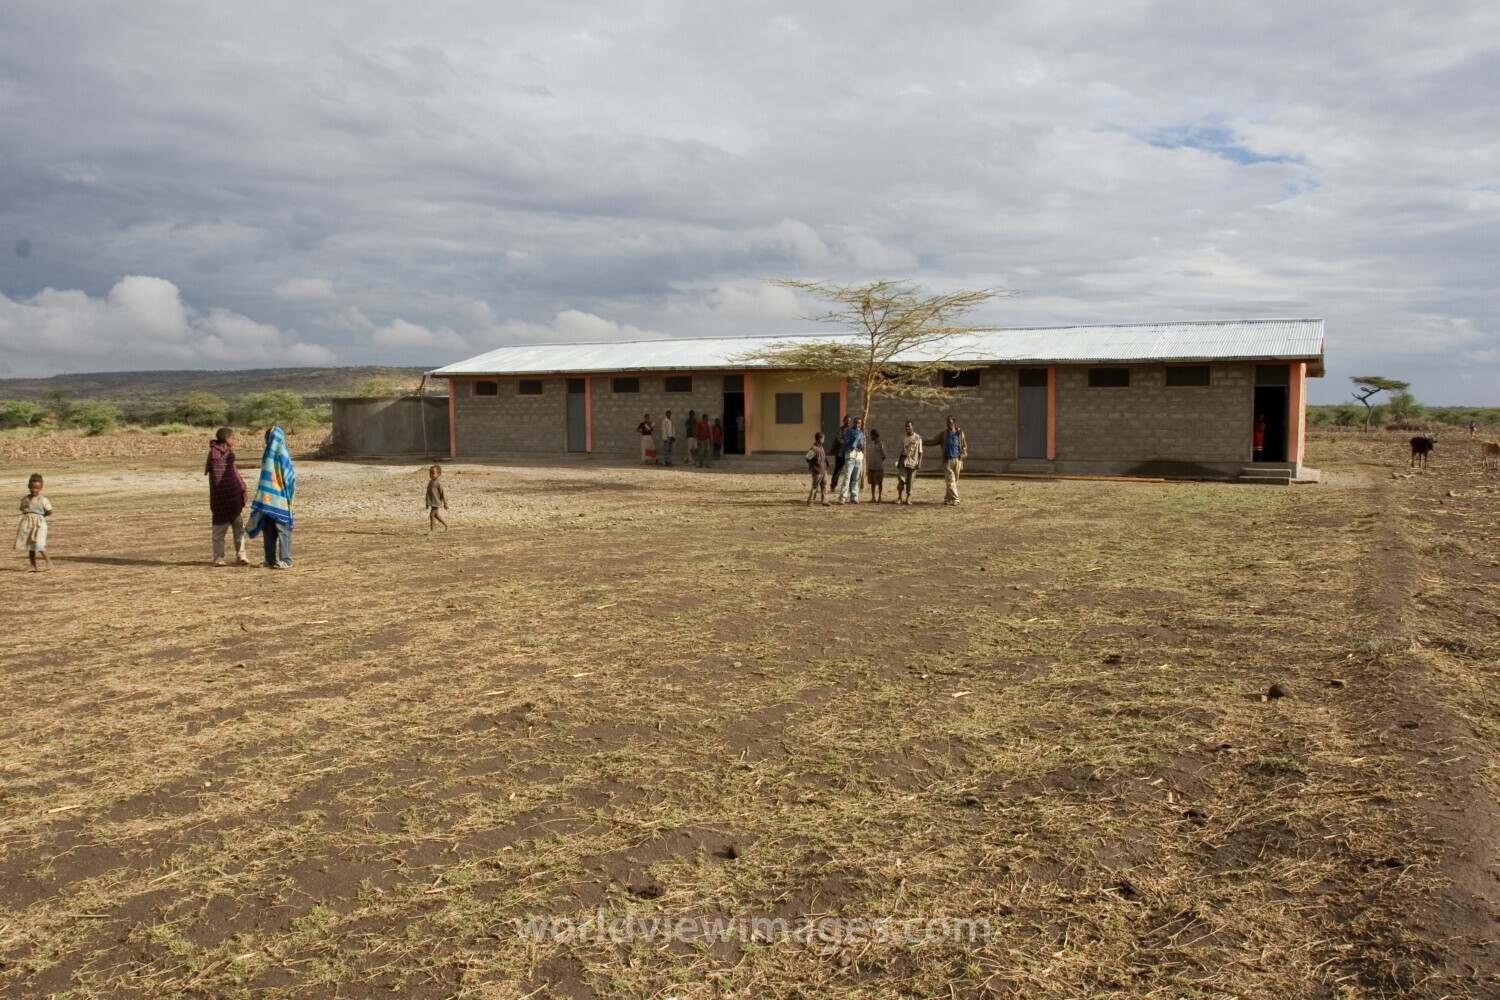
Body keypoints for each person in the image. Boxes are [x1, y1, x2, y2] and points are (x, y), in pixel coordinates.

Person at [246, 426, 296, 568]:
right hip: (271, 500)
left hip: (276, 499)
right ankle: (270, 560)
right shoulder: (270, 455)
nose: (266, 441)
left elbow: (289, 477)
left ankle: (284, 560)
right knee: (269, 531)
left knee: (281, 530)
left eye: (268, 438)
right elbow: (291, 479)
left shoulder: (280, 455)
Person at [205, 427, 250, 566]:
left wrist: (240, 488)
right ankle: (218, 557)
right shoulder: (214, 455)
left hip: (233, 499)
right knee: (219, 531)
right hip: (220, 499)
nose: (234, 440)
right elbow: (217, 478)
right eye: (232, 438)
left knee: (239, 529)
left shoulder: (230, 454)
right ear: (226, 439)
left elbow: (233, 473)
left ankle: (241, 555)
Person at [925, 415, 967, 505]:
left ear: (954, 422)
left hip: (957, 460)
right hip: (948, 460)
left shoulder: (959, 433)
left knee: (954, 481)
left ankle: (947, 498)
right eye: (947, 423)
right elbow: (933, 441)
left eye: (950, 423)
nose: (948, 425)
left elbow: (964, 446)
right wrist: (922, 441)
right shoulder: (943, 434)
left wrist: (963, 455)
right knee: (950, 481)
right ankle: (955, 499)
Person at [15, 473, 52, 572]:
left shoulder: (42, 499)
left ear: (41, 488)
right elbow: (23, 509)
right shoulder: (25, 499)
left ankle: (49, 562)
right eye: (32, 488)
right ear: (29, 487)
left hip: (39, 524)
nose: (34, 490)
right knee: (30, 544)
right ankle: (33, 565)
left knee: (39, 543)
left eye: (37, 488)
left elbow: (50, 510)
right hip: (27, 523)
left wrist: (41, 516)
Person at [835, 417, 866, 504]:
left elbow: (861, 445)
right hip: (850, 456)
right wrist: (853, 443)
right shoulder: (848, 432)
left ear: (860, 424)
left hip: (858, 456)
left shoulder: (861, 433)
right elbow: (846, 442)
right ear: (853, 423)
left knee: (856, 478)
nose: (856, 424)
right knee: (847, 477)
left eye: (858, 423)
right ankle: (842, 497)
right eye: (855, 423)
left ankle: (854, 496)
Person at [896, 420, 923, 505]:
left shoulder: (917, 438)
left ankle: (908, 498)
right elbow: (900, 450)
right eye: (906, 426)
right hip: (903, 459)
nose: (907, 428)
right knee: (901, 478)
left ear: (912, 427)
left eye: (909, 426)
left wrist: (919, 463)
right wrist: (899, 461)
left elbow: (920, 452)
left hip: (912, 461)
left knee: (910, 480)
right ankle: (899, 497)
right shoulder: (903, 438)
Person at [805, 431, 830, 506]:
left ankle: (825, 501)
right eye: (823, 438)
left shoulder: (821, 447)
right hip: (817, 471)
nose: (824, 440)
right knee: (815, 487)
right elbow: (807, 457)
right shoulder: (814, 448)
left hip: (823, 470)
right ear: (820, 438)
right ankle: (810, 501)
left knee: (824, 486)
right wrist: (813, 466)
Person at [426, 465, 449, 532]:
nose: (431, 475)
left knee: (432, 514)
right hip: (432, 502)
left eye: (433, 473)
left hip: (436, 502)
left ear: (438, 474)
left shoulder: (438, 483)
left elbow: (443, 493)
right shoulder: (430, 482)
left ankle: (432, 530)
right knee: (436, 515)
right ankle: (446, 524)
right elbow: (428, 493)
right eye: (430, 473)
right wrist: (427, 503)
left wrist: (445, 503)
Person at [866, 428, 886, 503]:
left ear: (874, 435)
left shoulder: (881, 444)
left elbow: (884, 455)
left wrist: (878, 461)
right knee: (873, 483)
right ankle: (873, 497)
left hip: (878, 467)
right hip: (871, 466)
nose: (871, 437)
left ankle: (880, 497)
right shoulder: (872, 444)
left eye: (871, 435)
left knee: (879, 482)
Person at [831, 415, 851, 485]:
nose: (848, 422)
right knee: (838, 469)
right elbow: (839, 439)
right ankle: (833, 485)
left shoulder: (851, 430)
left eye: (849, 421)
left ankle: (848, 486)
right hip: (840, 453)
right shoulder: (840, 430)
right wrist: (847, 443)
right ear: (843, 421)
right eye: (847, 420)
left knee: (849, 470)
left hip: (848, 453)